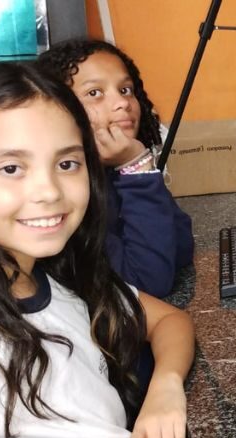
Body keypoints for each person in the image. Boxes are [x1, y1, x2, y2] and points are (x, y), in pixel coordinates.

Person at [0, 62, 194, 438]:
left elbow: (171, 321)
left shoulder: (58, 279)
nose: (48, 191)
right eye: (11, 168)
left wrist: (165, 387)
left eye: (66, 164)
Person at [36, 39, 194, 299]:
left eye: (126, 89)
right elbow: (148, 282)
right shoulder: (68, 191)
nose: (122, 103)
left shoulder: (111, 169)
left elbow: (182, 246)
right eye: (95, 93)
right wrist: (137, 170)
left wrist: (138, 167)